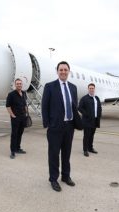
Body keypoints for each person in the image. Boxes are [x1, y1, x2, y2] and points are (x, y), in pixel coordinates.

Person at [41, 61, 80, 192]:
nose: (63, 72)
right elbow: (44, 106)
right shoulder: (50, 86)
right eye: (61, 70)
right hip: (55, 127)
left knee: (66, 154)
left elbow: (74, 106)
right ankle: (53, 179)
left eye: (65, 69)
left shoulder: (73, 88)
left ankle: (65, 176)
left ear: (69, 71)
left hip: (69, 126)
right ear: (57, 71)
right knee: (53, 154)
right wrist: (48, 124)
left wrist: (77, 122)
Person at [6, 78, 28, 159]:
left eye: (20, 83)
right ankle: (12, 151)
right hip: (15, 118)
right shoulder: (11, 94)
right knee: (14, 134)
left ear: (22, 85)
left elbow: (25, 104)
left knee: (20, 133)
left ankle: (18, 148)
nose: (19, 85)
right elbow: (8, 106)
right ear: (15, 85)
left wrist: (26, 114)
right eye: (17, 83)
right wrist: (12, 115)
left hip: (23, 117)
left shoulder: (24, 93)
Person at [78, 83, 102, 157]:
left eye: (92, 88)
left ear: (94, 89)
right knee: (86, 136)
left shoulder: (97, 98)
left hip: (95, 120)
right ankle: (85, 150)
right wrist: (86, 114)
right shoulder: (84, 98)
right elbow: (79, 107)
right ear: (88, 89)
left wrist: (99, 115)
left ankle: (90, 148)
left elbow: (99, 108)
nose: (91, 89)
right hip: (87, 121)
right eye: (90, 88)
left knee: (92, 135)